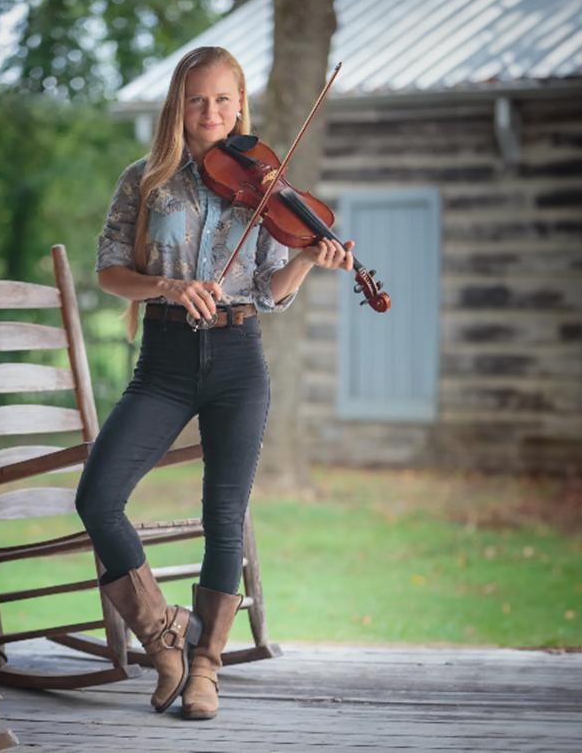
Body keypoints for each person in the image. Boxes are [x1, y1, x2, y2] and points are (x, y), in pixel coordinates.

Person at [75, 45, 353, 720]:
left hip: (236, 357)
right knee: (98, 495)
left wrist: (308, 262)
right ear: (179, 103)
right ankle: (164, 636)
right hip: (164, 358)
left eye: (223, 99)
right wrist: (169, 284)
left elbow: (267, 288)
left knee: (223, 517)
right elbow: (110, 271)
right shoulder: (144, 180)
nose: (210, 112)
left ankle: (205, 668)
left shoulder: (266, 184)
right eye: (197, 99)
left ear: (240, 104)